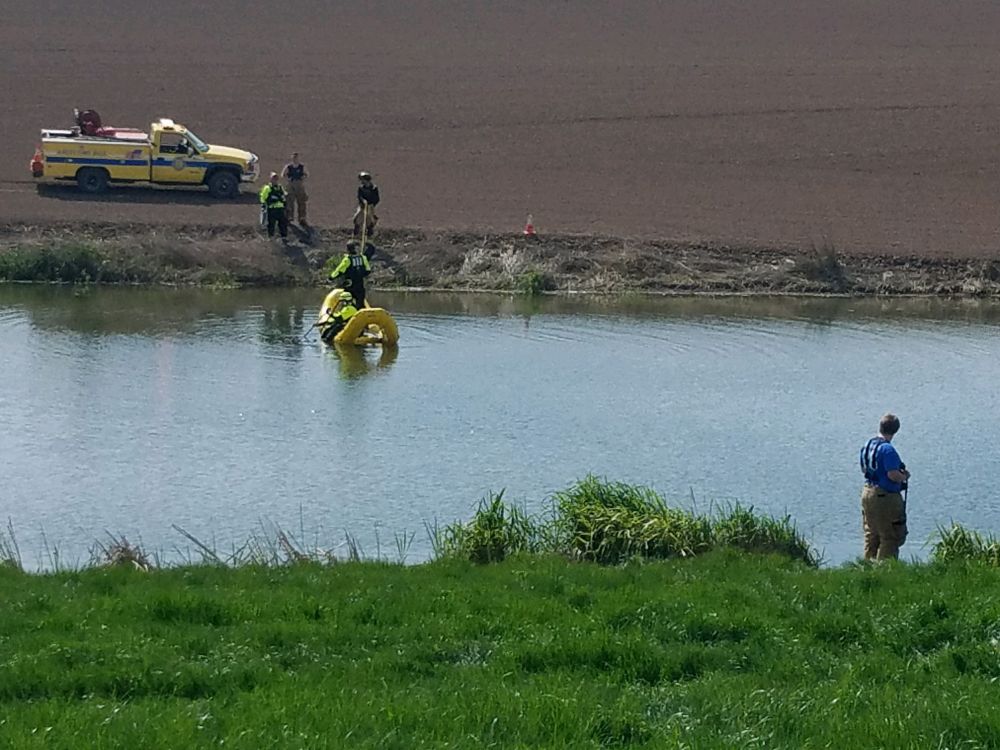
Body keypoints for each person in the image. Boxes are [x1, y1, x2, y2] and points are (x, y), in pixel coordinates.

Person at [859, 413, 911, 561]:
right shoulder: (888, 450)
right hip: (884, 496)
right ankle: (886, 570)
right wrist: (904, 476)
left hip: (867, 492)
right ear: (895, 430)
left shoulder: (868, 445)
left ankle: (867, 565)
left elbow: (864, 470)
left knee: (871, 533)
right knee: (890, 536)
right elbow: (892, 475)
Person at [328, 240, 372, 308]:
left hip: (350, 285)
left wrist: (331, 277)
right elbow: (368, 270)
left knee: (348, 302)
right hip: (360, 285)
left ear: (348, 249)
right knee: (360, 302)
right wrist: (360, 275)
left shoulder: (347, 259)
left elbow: (339, 270)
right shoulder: (363, 258)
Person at [258, 172, 288, 239]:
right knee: (271, 224)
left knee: (283, 224)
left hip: (280, 209)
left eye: (276, 178)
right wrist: (264, 204)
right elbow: (263, 197)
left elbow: (284, 195)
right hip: (272, 209)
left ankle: (284, 237)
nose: (275, 180)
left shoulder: (280, 187)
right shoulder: (267, 188)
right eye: (273, 178)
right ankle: (271, 238)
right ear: (271, 179)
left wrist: (284, 202)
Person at [282, 152, 309, 225]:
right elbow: (283, 174)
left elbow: (306, 174)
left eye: (296, 158)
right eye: (294, 158)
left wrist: (302, 178)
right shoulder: (288, 166)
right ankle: (289, 217)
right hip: (291, 184)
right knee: (289, 201)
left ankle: (302, 218)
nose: (295, 159)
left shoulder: (302, 166)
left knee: (301, 201)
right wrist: (288, 178)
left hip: (299, 185)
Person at [353, 171, 380, 238]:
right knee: (358, 217)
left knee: (369, 218)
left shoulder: (374, 188)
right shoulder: (361, 188)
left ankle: (369, 232)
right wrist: (363, 201)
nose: (362, 181)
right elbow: (359, 196)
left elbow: (377, 198)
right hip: (362, 206)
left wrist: (371, 203)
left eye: (363, 180)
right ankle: (356, 233)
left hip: (370, 206)